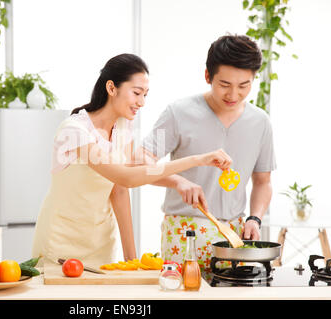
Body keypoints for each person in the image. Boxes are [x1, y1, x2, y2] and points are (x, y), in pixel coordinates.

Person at [32, 53, 233, 265]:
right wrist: (196, 160)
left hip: (100, 242)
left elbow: (121, 188)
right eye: (137, 93)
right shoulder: (74, 130)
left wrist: (132, 259)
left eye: (145, 95)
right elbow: (126, 177)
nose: (142, 102)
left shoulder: (122, 126)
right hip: (61, 241)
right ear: (111, 88)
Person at [138, 35, 276, 270]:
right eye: (224, 85)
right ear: (207, 76)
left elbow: (263, 181)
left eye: (244, 86)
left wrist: (255, 217)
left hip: (233, 236)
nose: (233, 95)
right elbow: (140, 161)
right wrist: (178, 181)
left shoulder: (260, 122)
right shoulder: (178, 113)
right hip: (184, 232)